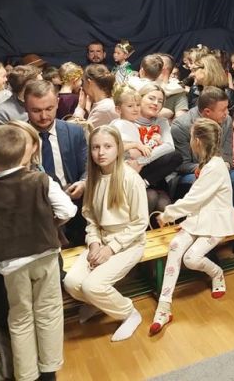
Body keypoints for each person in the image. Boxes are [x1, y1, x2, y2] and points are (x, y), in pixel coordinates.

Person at [0, 125, 76, 381]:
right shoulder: (42, 180)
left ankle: (27, 375)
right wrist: (50, 225)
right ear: (25, 151)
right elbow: (68, 211)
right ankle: (49, 371)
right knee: (49, 312)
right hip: (46, 257)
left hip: (11, 265)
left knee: (20, 318)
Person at [149, 118, 234, 335]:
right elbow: (196, 201)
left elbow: (193, 199)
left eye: (191, 137)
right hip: (198, 219)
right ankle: (163, 307)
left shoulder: (215, 167)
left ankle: (217, 273)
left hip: (217, 222)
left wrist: (167, 215)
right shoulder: (208, 164)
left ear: (197, 141)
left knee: (191, 258)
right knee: (174, 247)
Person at [63, 126, 148, 342]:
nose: (101, 152)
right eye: (95, 147)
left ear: (118, 148)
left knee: (93, 286)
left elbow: (140, 223)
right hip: (101, 241)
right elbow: (90, 218)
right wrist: (94, 243)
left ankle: (129, 313)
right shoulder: (93, 178)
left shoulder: (130, 179)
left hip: (129, 242)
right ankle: (98, 303)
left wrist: (111, 248)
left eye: (107, 146)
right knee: (71, 282)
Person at [24, 80, 88, 245]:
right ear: (25, 107)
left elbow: (87, 167)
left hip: (73, 203)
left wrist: (83, 183)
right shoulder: (17, 136)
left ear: (58, 103)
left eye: (49, 109)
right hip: (33, 209)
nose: (44, 116)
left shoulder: (74, 131)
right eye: (36, 110)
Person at [171, 86, 234, 210]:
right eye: (223, 110)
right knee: (208, 180)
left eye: (227, 108)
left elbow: (227, 153)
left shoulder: (226, 120)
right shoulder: (181, 127)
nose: (227, 113)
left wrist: (224, 165)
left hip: (219, 166)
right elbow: (182, 165)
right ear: (207, 112)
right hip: (192, 172)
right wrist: (209, 168)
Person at [132, 84, 182, 214]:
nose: (156, 103)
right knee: (152, 197)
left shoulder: (161, 122)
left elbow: (169, 147)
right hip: (133, 172)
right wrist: (159, 148)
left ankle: (143, 183)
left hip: (153, 174)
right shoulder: (129, 120)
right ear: (140, 98)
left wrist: (142, 160)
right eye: (151, 98)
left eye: (160, 101)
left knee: (164, 205)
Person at [75, 64, 118, 128]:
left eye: (83, 82)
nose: (82, 87)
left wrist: (80, 108)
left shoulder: (104, 108)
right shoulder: (104, 104)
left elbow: (79, 131)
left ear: (89, 82)